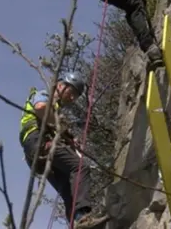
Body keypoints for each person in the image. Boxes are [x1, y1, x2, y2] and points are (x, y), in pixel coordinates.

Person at [19, 72, 106, 229]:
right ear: (60, 85)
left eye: (75, 96)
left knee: (68, 191)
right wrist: (64, 131)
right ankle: (82, 217)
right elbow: (41, 108)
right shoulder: (44, 95)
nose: (72, 98)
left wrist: (69, 139)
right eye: (71, 92)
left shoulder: (56, 110)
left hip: (36, 153)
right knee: (80, 167)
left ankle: (77, 224)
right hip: (38, 141)